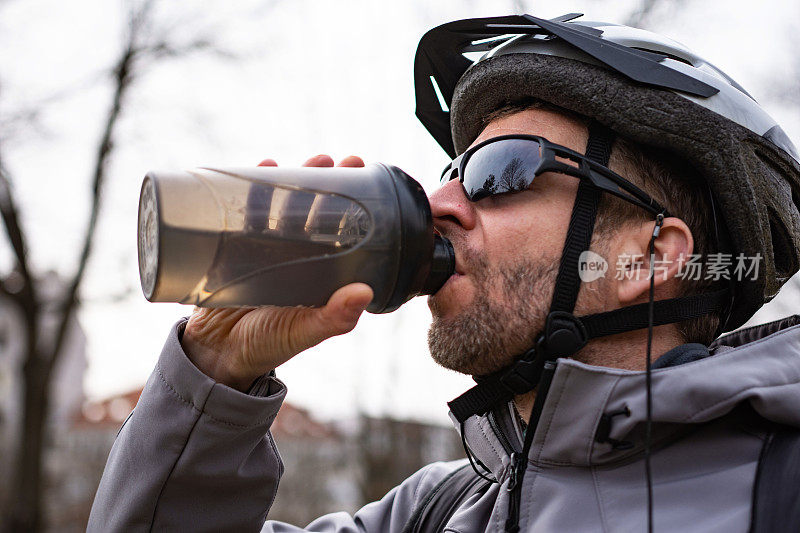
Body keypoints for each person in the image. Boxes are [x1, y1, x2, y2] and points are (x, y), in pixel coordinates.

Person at [88, 13, 800, 532]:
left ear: (646, 256)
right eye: (449, 173)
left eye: (501, 170)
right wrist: (216, 373)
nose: (439, 204)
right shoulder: (438, 511)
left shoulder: (779, 491)